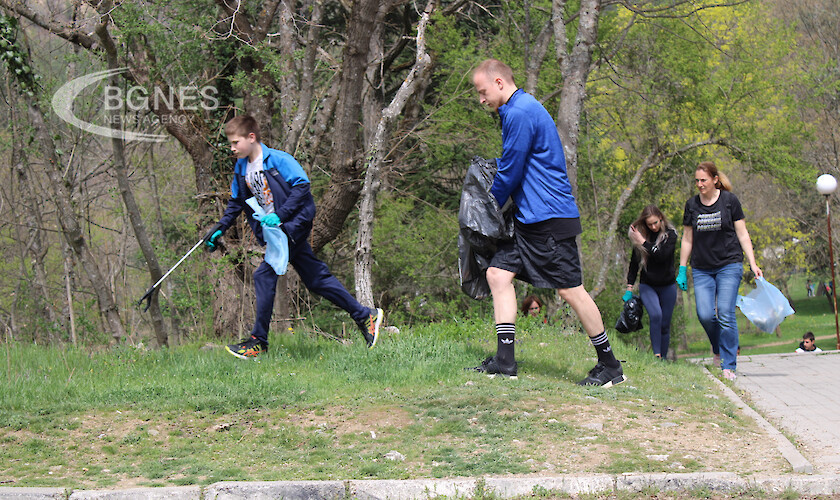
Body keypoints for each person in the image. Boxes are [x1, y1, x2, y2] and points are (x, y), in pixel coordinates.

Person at [468, 59, 625, 387]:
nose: (480, 99)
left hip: (549, 219)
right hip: (528, 219)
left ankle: (610, 365)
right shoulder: (519, 108)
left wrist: (486, 208)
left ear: (499, 83)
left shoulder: (518, 112)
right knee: (498, 275)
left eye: (482, 91)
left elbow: (510, 170)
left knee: (571, 291)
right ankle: (505, 361)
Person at [204, 115, 383, 359]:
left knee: (263, 274)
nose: (233, 148)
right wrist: (220, 228)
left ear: (251, 137)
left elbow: (302, 188)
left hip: (293, 225)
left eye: (236, 142)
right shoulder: (241, 167)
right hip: (275, 230)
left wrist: (280, 216)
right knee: (316, 279)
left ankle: (258, 341)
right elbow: (237, 201)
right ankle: (364, 315)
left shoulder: (278, 160)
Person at [677, 161, 762, 381]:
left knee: (725, 312)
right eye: (696, 180)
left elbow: (742, 234)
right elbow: (687, 238)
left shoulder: (729, 201)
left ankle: (728, 364)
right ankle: (719, 347)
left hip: (729, 264)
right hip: (702, 268)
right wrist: (682, 268)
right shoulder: (692, 205)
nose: (699, 184)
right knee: (705, 314)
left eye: (703, 180)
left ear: (715, 180)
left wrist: (753, 264)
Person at [624, 205, 678, 360]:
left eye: (656, 223)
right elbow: (634, 264)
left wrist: (643, 242)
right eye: (650, 224)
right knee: (656, 315)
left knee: (665, 324)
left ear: (661, 218)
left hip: (668, 285)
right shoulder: (641, 236)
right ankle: (656, 355)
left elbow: (661, 256)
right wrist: (629, 287)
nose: (653, 227)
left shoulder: (670, 235)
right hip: (648, 285)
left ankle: (663, 359)